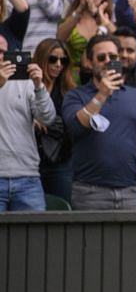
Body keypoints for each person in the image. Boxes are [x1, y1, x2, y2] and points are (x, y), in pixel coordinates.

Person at [62, 34, 136, 210]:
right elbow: (75, 128)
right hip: (89, 192)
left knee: (132, 239)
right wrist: (102, 95)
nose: (108, 61)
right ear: (90, 63)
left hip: (131, 190)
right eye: (101, 57)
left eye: (113, 57)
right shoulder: (75, 96)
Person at [0, 36, 56, 211]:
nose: (0, 56)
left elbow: (48, 118)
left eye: (3, 51)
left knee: (36, 238)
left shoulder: (24, 82)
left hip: (27, 178)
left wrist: (39, 87)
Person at [32, 38, 75, 202]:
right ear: (42, 58)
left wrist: (45, 123)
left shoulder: (68, 92)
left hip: (60, 163)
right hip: (31, 163)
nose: (58, 64)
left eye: (63, 60)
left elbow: (69, 126)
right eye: (53, 59)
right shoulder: (26, 87)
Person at [57, 0, 115, 83]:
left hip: (104, 77)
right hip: (74, 79)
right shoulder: (71, 19)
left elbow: (118, 39)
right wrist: (79, 10)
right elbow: (60, 38)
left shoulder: (108, 20)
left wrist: (99, 17)